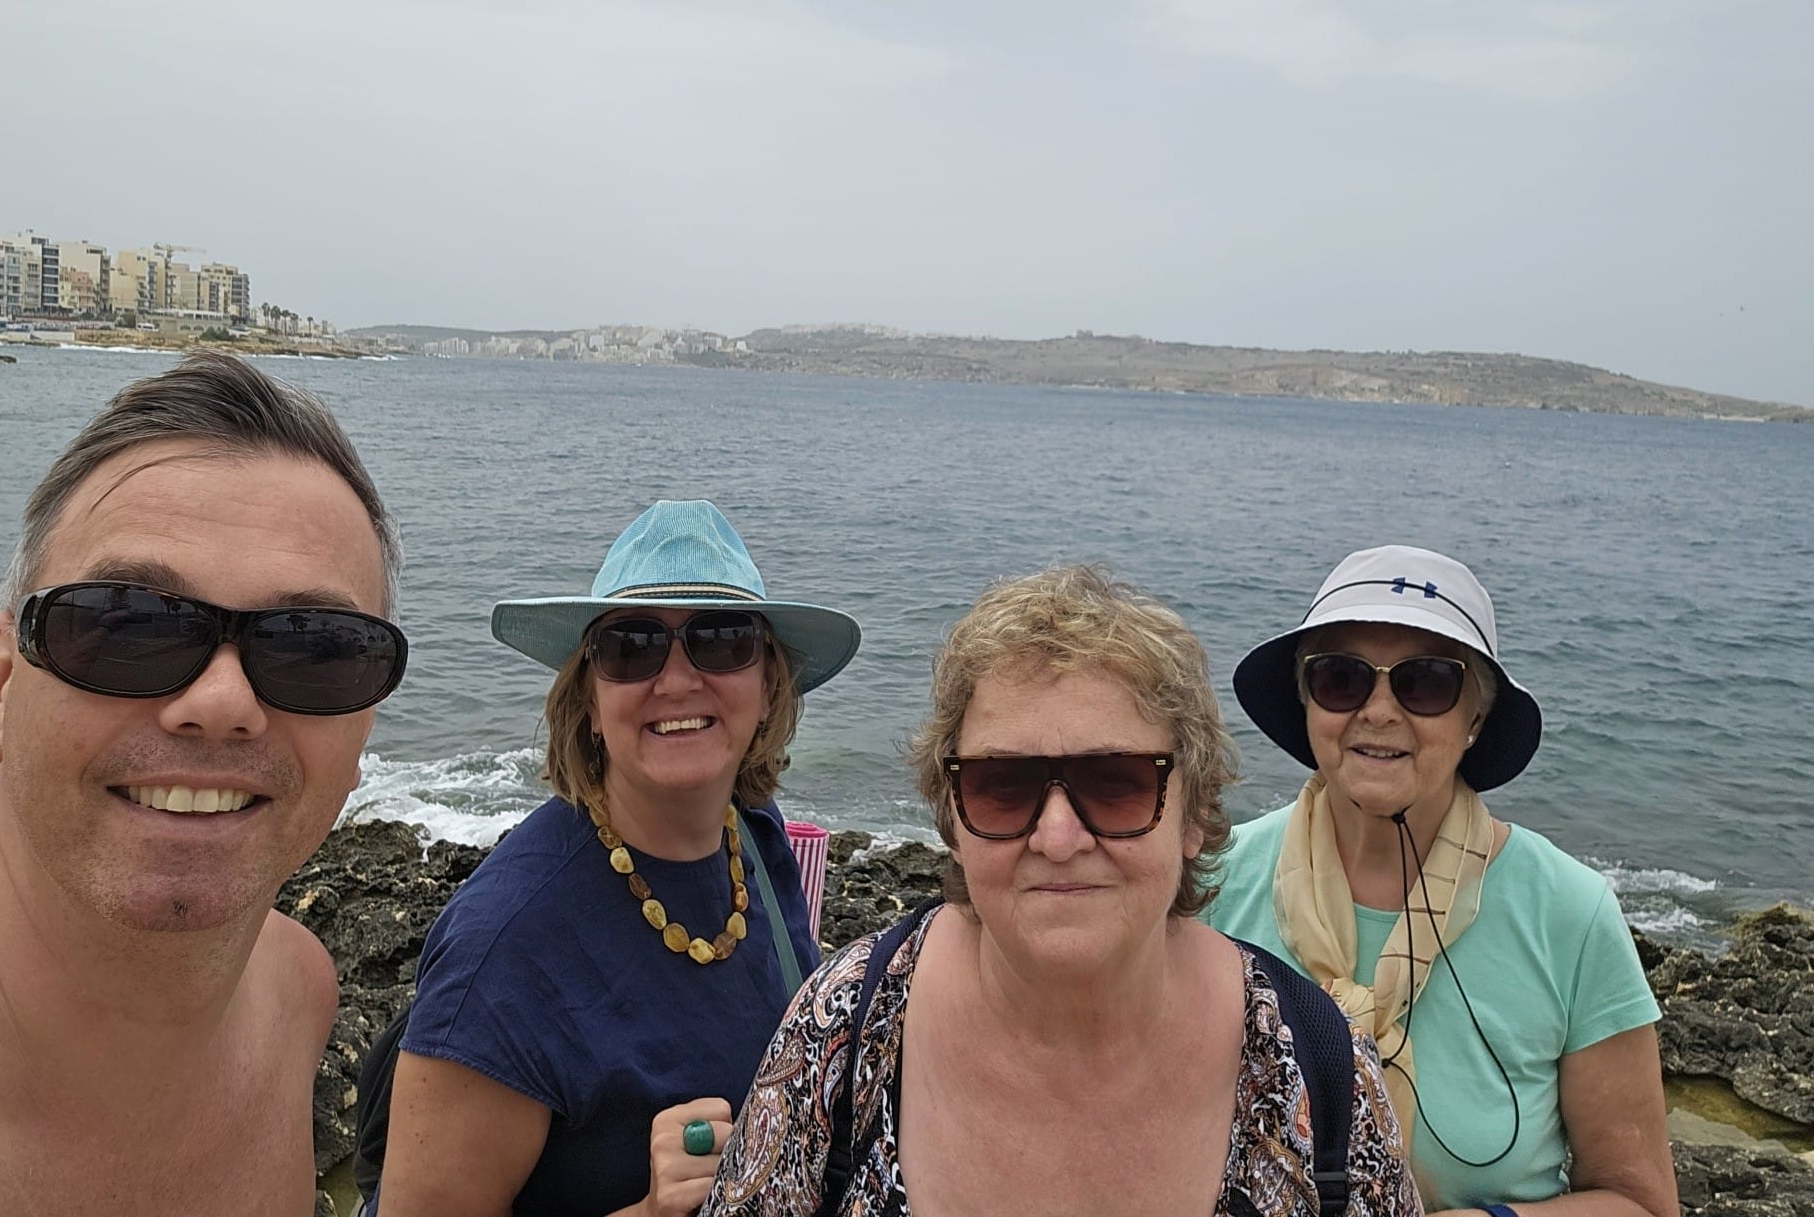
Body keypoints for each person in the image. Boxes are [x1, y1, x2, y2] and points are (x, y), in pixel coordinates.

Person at [703, 566, 1419, 1217]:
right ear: (953, 817)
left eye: (1116, 783)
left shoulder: (1321, 1070)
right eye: (1002, 786)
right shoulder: (844, 1030)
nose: (1057, 837)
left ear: (1195, 815)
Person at [0, 351, 408, 1215]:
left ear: (363, 734)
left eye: (315, 647)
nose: (222, 703)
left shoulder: (296, 993)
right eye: (127, 624)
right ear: (0, 686)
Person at [374, 500, 860, 1217]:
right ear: (590, 702)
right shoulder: (503, 946)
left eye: (722, 641)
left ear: (768, 687)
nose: (677, 681)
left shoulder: (755, 838)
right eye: (632, 647)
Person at [1206, 545, 1679, 1217]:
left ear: (1476, 717)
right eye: (1341, 678)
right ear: (1306, 699)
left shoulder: (1570, 915)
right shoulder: (1213, 885)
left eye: (1425, 683)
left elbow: (1641, 1202)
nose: (1378, 711)